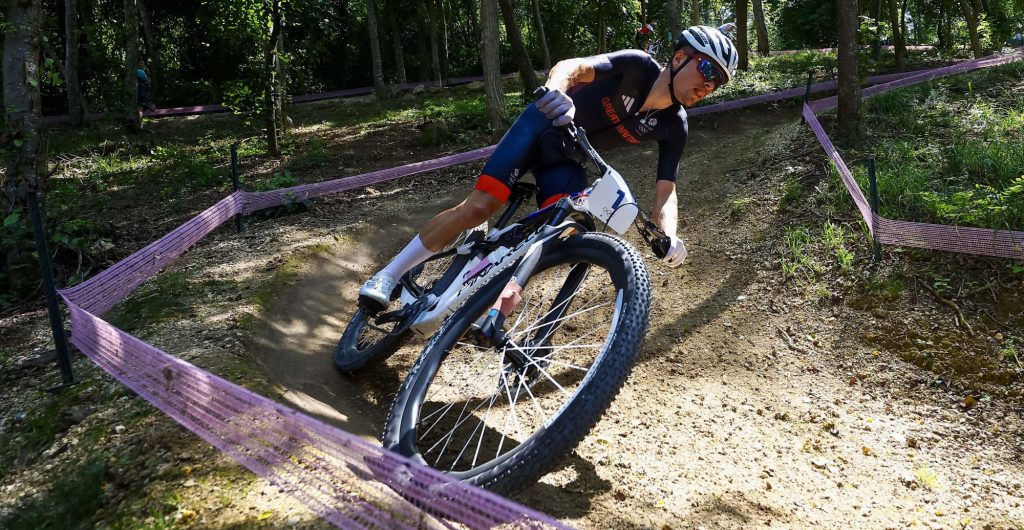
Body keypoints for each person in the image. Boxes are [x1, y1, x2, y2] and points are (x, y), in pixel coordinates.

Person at [358, 25, 739, 310]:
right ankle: (388, 275)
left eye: (719, 80)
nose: (710, 84)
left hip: (569, 158)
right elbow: (572, 67)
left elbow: (666, 189)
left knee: (563, 231)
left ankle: (496, 298)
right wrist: (558, 93)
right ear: (678, 58)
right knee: (479, 207)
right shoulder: (637, 67)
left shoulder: (675, 124)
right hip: (543, 125)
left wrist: (669, 235)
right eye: (707, 69)